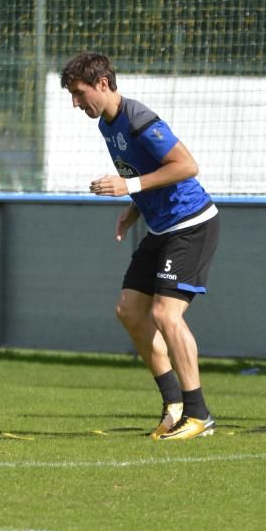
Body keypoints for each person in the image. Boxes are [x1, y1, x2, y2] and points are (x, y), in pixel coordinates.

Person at [61, 52, 220, 441]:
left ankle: (199, 414)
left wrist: (127, 187)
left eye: (79, 94)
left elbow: (186, 166)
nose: (76, 103)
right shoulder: (107, 124)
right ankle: (174, 405)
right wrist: (134, 208)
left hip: (191, 225)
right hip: (162, 227)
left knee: (166, 315)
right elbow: (146, 172)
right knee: (130, 311)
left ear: (102, 83)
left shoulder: (139, 118)